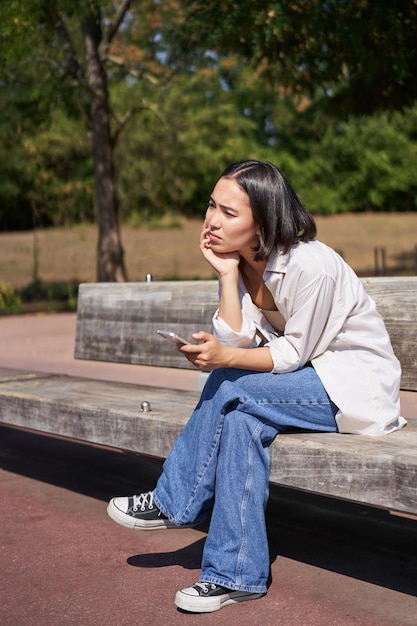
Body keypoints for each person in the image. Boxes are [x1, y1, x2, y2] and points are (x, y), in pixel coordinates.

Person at [107, 160, 405, 613]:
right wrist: (227, 275)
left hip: (350, 386)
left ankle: (174, 501)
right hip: (302, 385)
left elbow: (290, 355)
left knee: (231, 384)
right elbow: (236, 339)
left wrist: (226, 360)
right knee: (243, 419)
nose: (211, 220)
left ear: (262, 221)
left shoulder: (311, 264)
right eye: (211, 206)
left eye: (228, 212)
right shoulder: (245, 265)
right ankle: (236, 575)